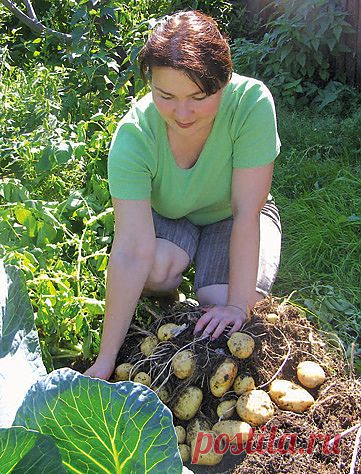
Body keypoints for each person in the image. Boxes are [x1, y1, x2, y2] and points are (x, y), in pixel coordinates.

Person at [85, 10, 282, 380]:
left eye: (199, 96)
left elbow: (246, 211)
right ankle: (175, 295)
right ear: (149, 84)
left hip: (233, 216)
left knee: (222, 307)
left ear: (223, 81)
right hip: (172, 216)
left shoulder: (251, 103)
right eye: (167, 95)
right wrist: (105, 360)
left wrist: (238, 305)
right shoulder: (134, 137)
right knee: (156, 270)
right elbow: (130, 251)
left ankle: (213, 291)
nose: (183, 112)